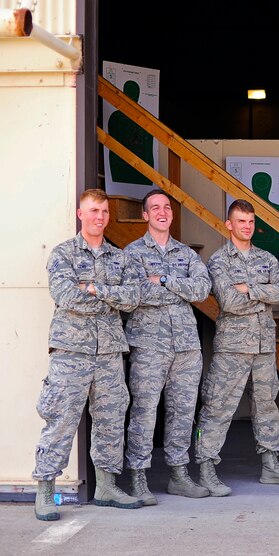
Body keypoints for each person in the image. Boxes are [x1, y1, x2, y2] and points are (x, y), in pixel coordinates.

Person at [33, 188, 143, 521]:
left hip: (108, 352)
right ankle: (45, 491)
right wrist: (110, 296)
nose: (100, 217)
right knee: (61, 419)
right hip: (71, 352)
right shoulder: (63, 254)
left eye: (104, 211)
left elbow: (132, 299)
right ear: (81, 214)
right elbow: (66, 296)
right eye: (94, 211)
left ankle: (106, 487)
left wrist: (94, 288)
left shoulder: (119, 257)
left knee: (111, 419)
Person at [193, 199, 279, 496]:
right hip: (233, 347)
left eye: (251, 222)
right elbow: (228, 302)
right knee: (218, 405)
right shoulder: (219, 261)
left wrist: (250, 289)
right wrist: (263, 295)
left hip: (264, 345)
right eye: (241, 221)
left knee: (267, 406)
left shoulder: (266, 258)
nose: (247, 226)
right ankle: (206, 468)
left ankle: (270, 465)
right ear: (229, 224)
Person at [123, 190, 212, 505]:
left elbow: (202, 289)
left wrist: (162, 280)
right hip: (149, 345)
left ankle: (178, 475)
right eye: (155, 208)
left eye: (167, 207)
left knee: (183, 411)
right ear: (145, 215)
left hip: (186, 346)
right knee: (144, 411)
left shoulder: (186, 253)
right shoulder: (131, 253)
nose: (162, 212)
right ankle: (138, 477)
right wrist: (179, 288)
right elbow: (136, 294)